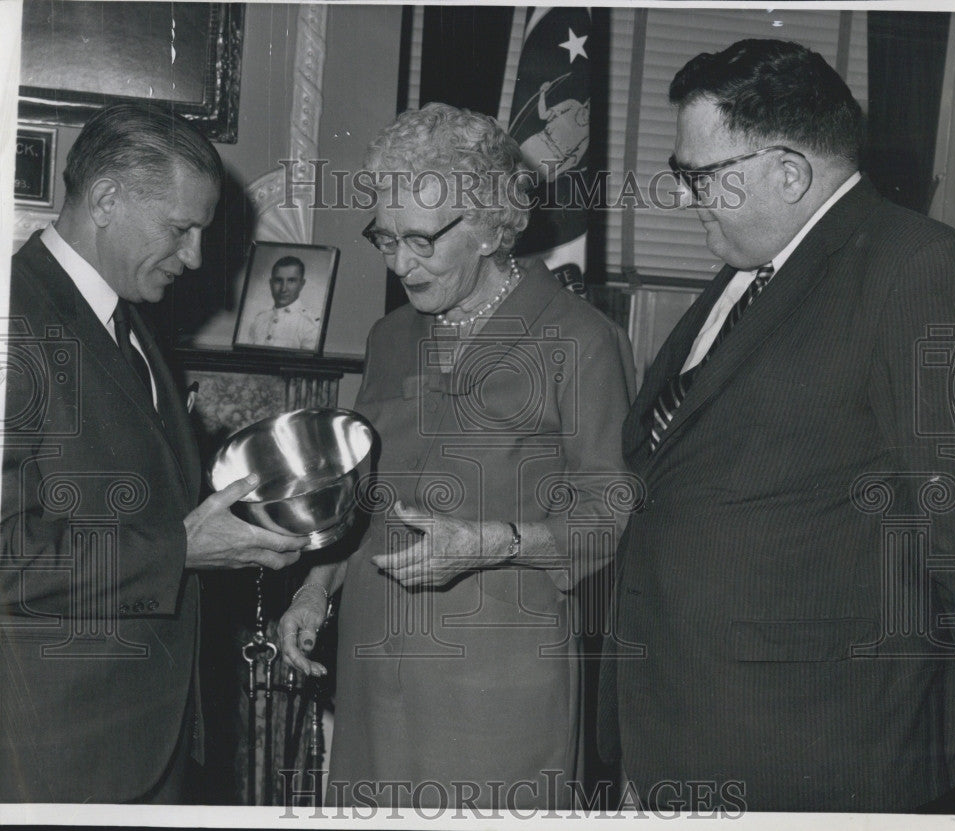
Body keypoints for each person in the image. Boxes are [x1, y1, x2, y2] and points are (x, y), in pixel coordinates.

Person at [598, 39, 955, 813]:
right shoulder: (749, 269)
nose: (683, 199)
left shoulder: (917, 271)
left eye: (700, 176)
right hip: (680, 726)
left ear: (788, 172)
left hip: (820, 750)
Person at [279, 102, 635, 810]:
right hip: (376, 663)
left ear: (488, 225)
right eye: (384, 236)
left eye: (420, 240)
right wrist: (316, 588)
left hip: (498, 682)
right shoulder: (389, 337)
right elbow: (361, 489)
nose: (397, 262)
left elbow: (612, 515)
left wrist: (492, 543)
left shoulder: (581, 340)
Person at [0, 103, 309, 803]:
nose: (197, 257)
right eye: (181, 228)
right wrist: (181, 548)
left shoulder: (128, 320)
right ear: (106, 199)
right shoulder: (14, 317)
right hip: (54, 757)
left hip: (145, 742)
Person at [246, 255, 321, 349]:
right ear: (270, 283)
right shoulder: (260, 320)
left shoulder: (310, 325)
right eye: (278, 280)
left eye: (291, 281)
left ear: (301, 284)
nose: (283, 289)